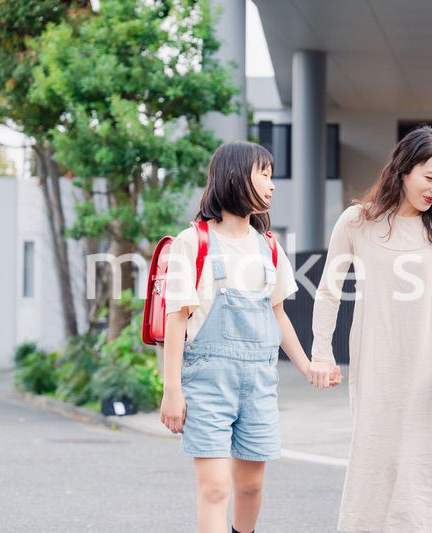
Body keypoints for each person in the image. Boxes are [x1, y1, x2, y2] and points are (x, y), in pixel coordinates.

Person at [159, 141, 341, 533]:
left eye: (271, 175)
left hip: (259, 383)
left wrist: (308, 366)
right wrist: (171, 390)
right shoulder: (192, 243)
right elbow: (177, 321)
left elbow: (278, 317)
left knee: (251, 486)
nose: (271, 185)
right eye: (264, 174)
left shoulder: (270, 248)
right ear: (233, 176)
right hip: (207, 383)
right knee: (215, 487)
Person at [309, 125, 432, 532]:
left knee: (431, 457)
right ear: (404, 169)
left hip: (430, 367)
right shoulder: (357, 221)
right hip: (376, 361)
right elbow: (329, 290)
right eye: (430, 177)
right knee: (377, 455)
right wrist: (321, 351)